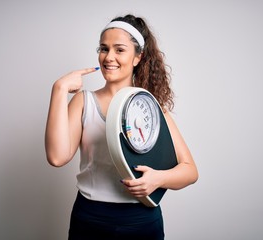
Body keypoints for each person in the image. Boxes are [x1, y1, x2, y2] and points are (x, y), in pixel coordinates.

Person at [45, 14, 198, 240]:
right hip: (90, 217)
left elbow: (190, 171)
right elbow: (57, 157)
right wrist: (59, 89)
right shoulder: (84, 102)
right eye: (104, 49)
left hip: (142, 219)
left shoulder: (152, 109)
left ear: (138, 57)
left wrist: (157, 179)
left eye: (119, 49)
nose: (109, 57)